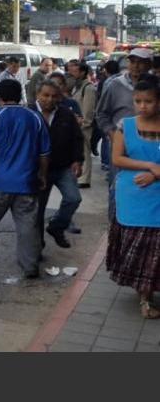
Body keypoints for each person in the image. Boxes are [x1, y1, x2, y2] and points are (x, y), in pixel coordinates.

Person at [0, 79, 51, 278]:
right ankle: (30, 266)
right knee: (28, 225)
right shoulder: (35, 118)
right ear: (20, 95)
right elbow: (44, 153)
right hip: (27, 183)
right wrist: (42, 175)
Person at [106, 75, 160, 319]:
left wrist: (156, 176)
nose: (142, 106)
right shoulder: (124, 125)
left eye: (148, 101)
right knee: (141, 247)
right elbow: (117, 158)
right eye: (138, 101)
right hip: (133, 198)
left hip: (156, 195)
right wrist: (149, 166)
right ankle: (145, 298)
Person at [96, 48, 153, 220]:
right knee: (118, 186)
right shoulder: (115, 85)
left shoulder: (155, 86)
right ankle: (116, 225)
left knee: (148, 186)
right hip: (122, 147)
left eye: (141, 62)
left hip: (150, 145)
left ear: (149, 64)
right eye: (133, 61)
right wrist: (112, 134)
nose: (136, 66)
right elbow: (101, 114)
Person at [30, 80, 84, 250]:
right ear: (38, 95)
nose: (49, 99)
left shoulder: (66, 114)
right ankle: (36, 246)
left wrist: (78, 160)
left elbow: (77, 138)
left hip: (62, 167)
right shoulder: (28, 113)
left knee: (73, 198)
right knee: (37, 211)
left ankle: (57, 227)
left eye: (54, 96)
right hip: (38, 171)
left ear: (59, 97)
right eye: (46, 95)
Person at [69, 61, 97, 190]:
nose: (72, 73)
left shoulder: (88, 88)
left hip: (83, 125)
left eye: (75, 71)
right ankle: (80, 176)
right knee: (79, 151)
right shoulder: (78, 86)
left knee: (85, 151)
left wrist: (85, 124)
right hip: (76, 124)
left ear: (83, 72)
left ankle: (85, 179)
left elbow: (88, 109)